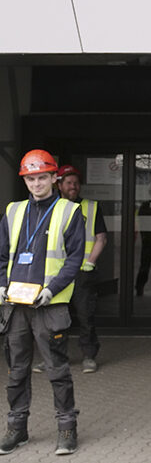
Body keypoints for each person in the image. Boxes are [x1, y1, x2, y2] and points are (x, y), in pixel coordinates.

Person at [0, 149, 84, 455]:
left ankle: (66, 430)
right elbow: (1, 255)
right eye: (31, 178)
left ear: (54, 178)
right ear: (26, 180)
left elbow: (75, 259)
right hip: (16, 305)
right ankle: (16, 428)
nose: (37, 184)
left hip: (50, 305)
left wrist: (52, 289)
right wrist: (0, 284)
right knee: (16, 371)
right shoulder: (13, 211)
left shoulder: (69, 211)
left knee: (57, 370)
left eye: (42, 178)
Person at [57, 164, 107, 373]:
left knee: (85, 315)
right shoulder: (52, 208)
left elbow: (101, 238)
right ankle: (57, 357)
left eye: (76, 183)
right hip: (58, 273)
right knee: (57, 318)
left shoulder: (91, 207)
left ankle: (88, 356)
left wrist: (91, 262)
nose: (73, 186)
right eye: (69, 183)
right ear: (59, 185)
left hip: (82, 272)